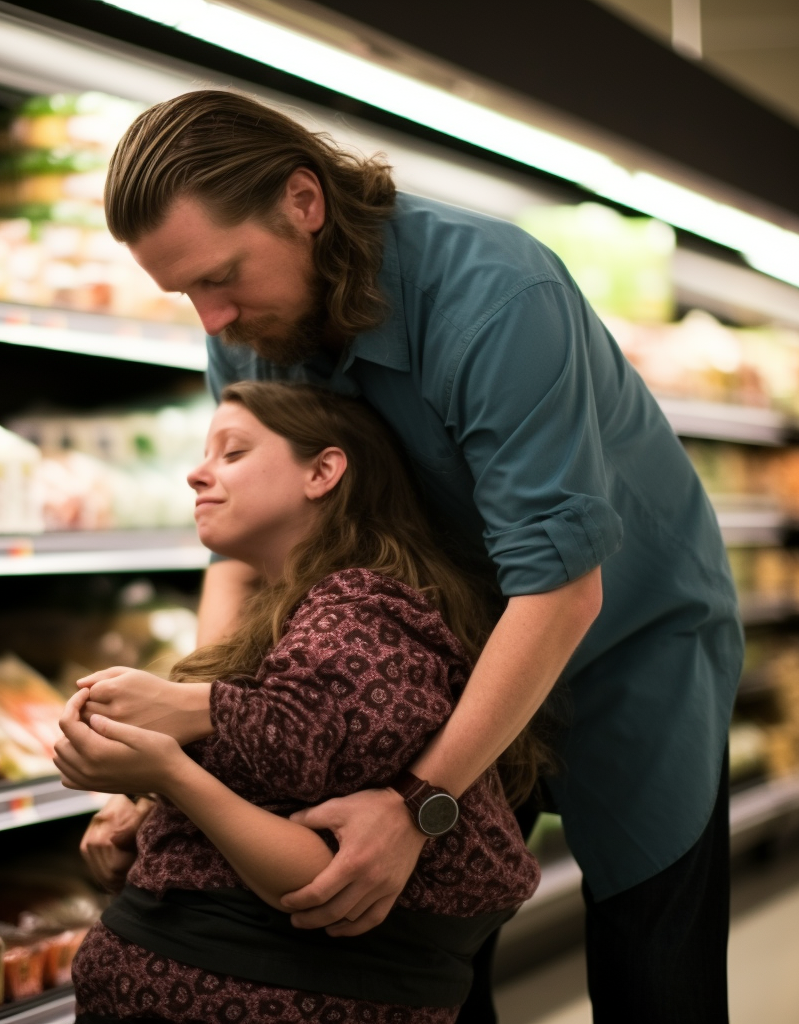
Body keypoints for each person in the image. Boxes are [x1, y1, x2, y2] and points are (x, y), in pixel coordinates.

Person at [83, 90, 743, 1023]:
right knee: (411, 977)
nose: (212, 319)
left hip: (623, 650)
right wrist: (186, 747)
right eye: (185, 291)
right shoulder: (249, 337)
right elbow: (245, 558)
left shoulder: (497, 296)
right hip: (424, 671)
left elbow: (559, 591)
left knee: (653, 969)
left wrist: (420, 801)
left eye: (223, 276)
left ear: (302, 202)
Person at [57, 380, 541, 1023]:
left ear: (323, 471)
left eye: (232, 454)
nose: (197, 475)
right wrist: (151, 790)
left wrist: (172, 748)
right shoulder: (292, 608)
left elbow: (299, 747)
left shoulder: (364, 609)